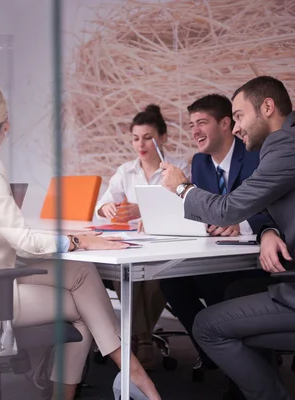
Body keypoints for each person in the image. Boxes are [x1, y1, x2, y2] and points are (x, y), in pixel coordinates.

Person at [0, 81, 161, 400]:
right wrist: (78, 242)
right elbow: (23, 241)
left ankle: (127, 374)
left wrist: (76, 240)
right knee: (85, 312)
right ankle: (136, 377)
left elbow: (11, 236)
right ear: (7, 125)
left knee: (83, 275)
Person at [160, 76, 295, 400]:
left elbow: (228, 209)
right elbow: (293, 207)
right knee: (235, 289)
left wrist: (182, 187)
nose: (235, 128)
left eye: (239, 116)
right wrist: (270, 231)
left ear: (267, 107)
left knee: (206, 325)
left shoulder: (286, 143)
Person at [158, 94, 271, 385]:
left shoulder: (256, 155)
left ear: (225, 123)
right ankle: (210, 351)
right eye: (191, 124)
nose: (194, 131)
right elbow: (201, 210)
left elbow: (276, 207)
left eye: (201, 123)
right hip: (217, 257)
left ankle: (243, 366)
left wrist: (242, 223)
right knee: (170, 280)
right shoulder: (201, 164)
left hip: (254, 260)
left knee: (224, 286)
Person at [95, 104, 190, 369]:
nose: (141, 144)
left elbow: (185, 207)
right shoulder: (126, 170)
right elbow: (102, 206)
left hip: (165, 243)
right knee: (123, 274)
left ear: (163, 138)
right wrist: (108, 208)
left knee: (155, 279)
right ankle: (145, 338)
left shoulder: (178, 168)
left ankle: (138, 337)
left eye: (148, 137)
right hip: (132, 244)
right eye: (136, 138)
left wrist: (143, 211)